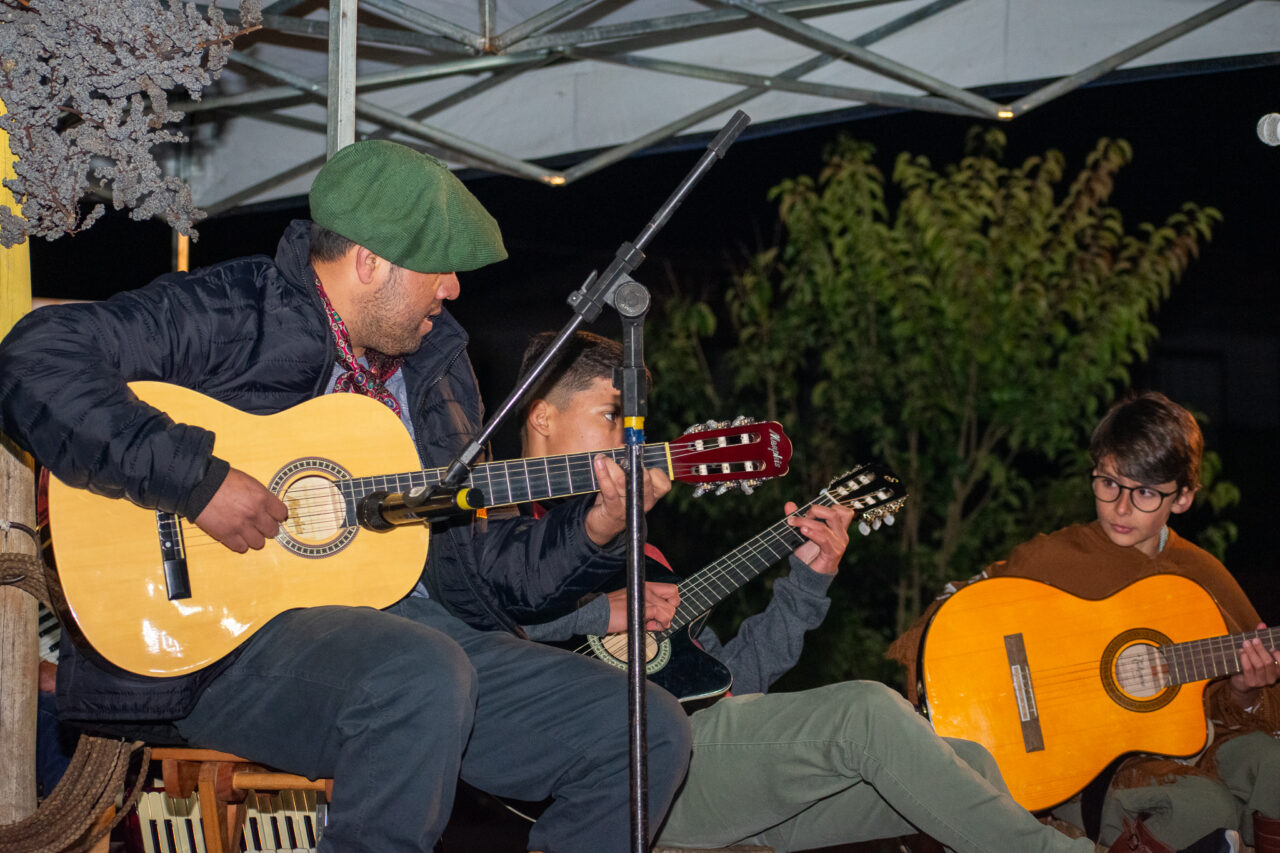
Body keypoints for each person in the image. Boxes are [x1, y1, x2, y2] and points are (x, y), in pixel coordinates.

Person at [0, 141, 690, 853]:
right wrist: (196, 481)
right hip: (224, 643)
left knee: (645, 730)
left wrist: (596, 528)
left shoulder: (437, 371)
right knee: (419, 674)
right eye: (438, 268)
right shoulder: (240, 310)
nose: (452, 288)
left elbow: (485, 573)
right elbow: (35, 357)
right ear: (370, 263)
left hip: (416, 640)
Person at [514, 330, 1096, 853]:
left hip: (710, 769)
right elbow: (478, 642)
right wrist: (597, 615)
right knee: (866, 711)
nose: (631, 439)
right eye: (613, 417)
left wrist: (806, 584)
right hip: (623, 774)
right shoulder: (497, 534)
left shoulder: (642, 552)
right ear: (543, 417)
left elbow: (730, 682)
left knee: (968, 763)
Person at [888, 391, 1280, 852]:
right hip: (1080, 762)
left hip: (1187, 746)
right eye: (1109, 483)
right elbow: (951, 615)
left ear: (1184, 497)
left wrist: (1244, 692)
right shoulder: (1058, 556)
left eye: (1147, 493)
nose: (1121, 506)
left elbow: (1228, 713)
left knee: (1272, 764)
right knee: (1202, 805)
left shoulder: (1202, 577)